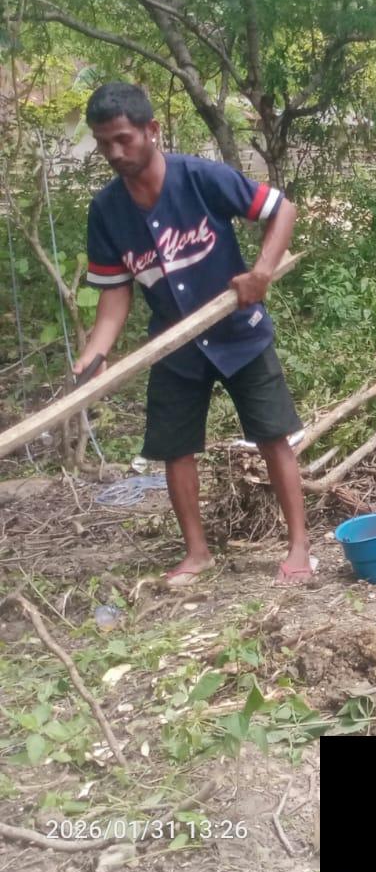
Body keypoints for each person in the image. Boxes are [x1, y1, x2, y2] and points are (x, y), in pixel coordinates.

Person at [73, 82, 311, 588]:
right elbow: (116, 294)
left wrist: (262, 271)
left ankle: (298, 548)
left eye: (123, 139)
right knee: (174, 446)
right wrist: (94, 354)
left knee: (273, 435)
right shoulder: (107, 211)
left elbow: (280, 209)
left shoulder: (201, 178)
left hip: (240, 333)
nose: (115, 152)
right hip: (175, 343)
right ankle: (197, 553)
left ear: (151, 131)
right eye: (104, 143)